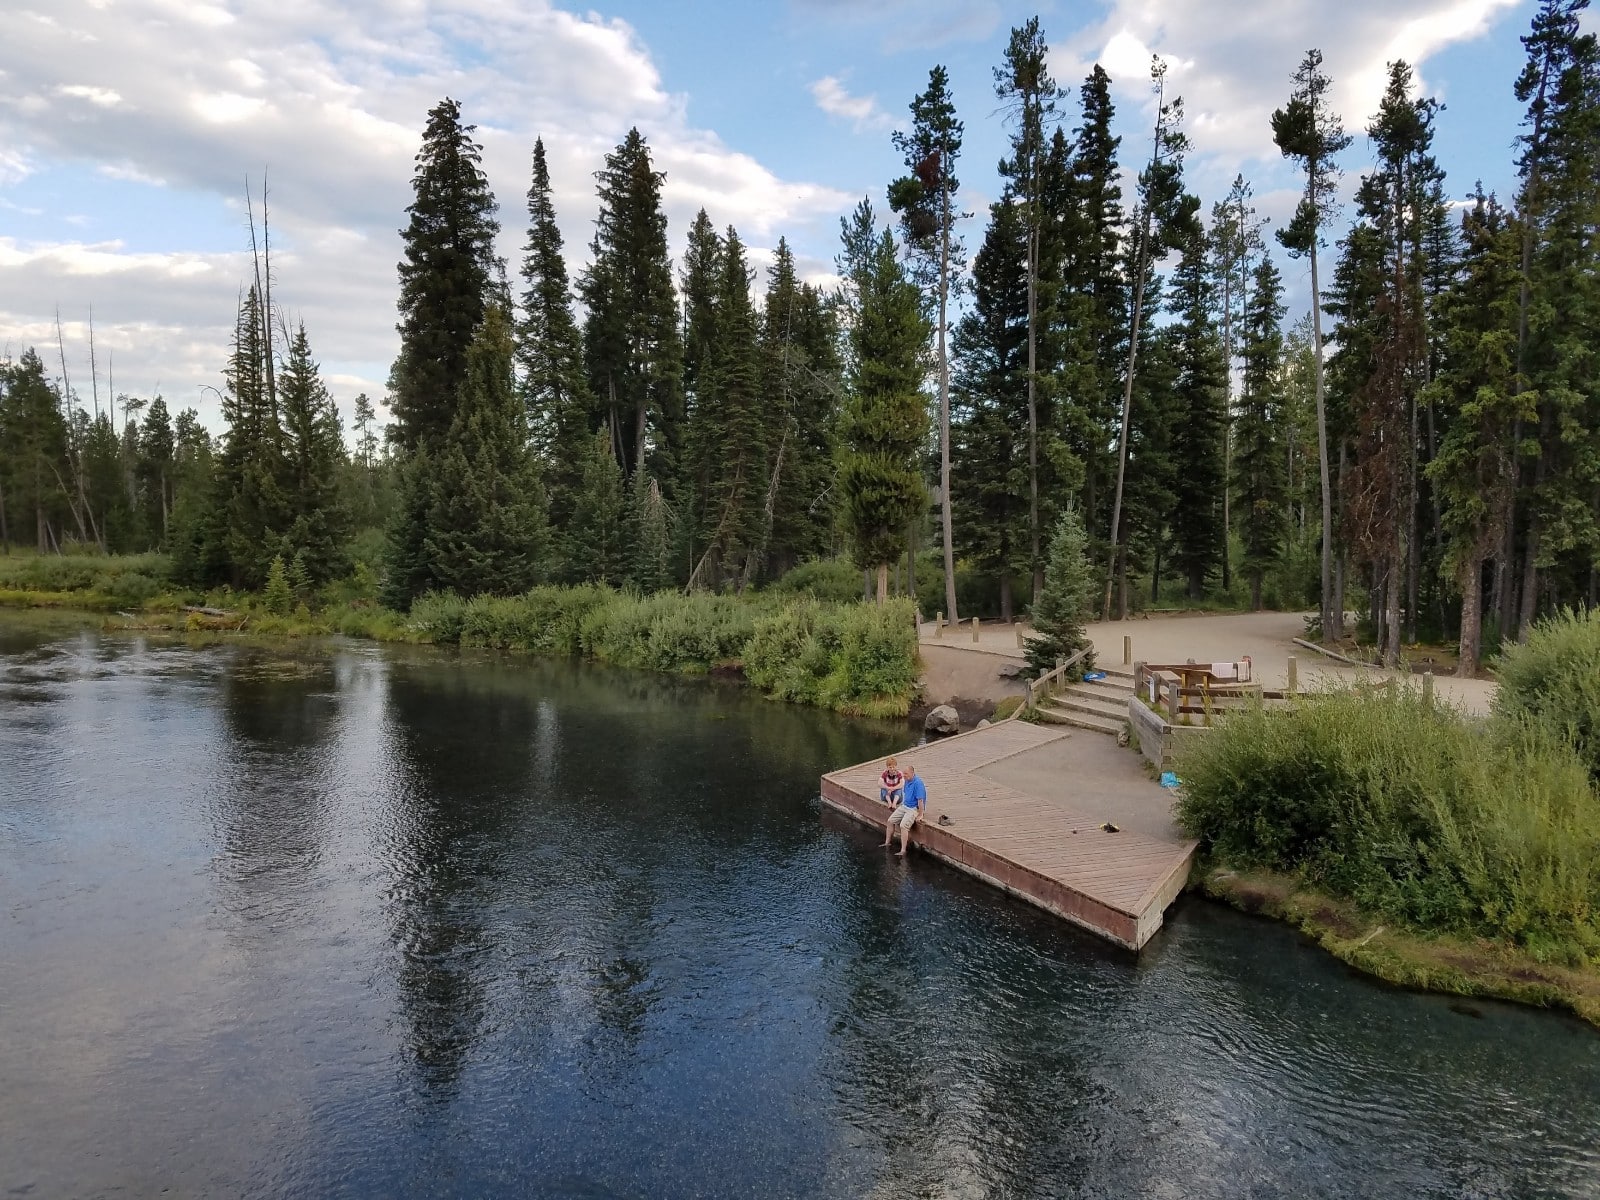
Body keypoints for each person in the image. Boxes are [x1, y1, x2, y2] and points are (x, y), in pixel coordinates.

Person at [882, 764, 926, 857]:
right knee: (890, 821)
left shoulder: (918, 783)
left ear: (912, 773)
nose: (904, 775)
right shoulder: (906, 781)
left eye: (906, 774)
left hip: (914, 808)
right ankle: (887, 843)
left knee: (903, 826)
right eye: (903, 773)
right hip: (905, 805)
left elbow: (920, 800)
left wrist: (920, 814)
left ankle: (903, 850)